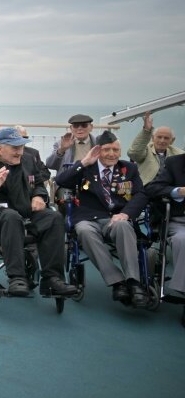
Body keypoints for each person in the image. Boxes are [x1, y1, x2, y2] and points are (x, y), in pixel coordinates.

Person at [0, 127, 76, 297]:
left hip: (26, 210)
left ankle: (52, 279)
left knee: (53, 218)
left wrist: (39, 195)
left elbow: (38, 183)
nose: (20, 152)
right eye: (15, 148)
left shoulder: (29, 159)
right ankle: (17, 277)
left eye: (22, 147)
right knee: (11, 217)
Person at [55, 131, 148, 307]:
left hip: (116, 217)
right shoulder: (85, 167)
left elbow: (140, 195)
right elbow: (61, 181)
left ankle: (133, 282)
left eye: (115, 149)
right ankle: (116, 282)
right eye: (107, 149)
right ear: (98, 150)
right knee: (84, 231)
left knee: (123, 226)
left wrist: (126, 214)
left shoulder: (129, 168)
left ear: (120, 151)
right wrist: (83, 162)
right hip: (87, 217)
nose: (111, 154)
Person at [145, 154, 185, 297]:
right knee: (182, 240)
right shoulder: (175, 163)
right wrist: (178, 191)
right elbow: (152, 188)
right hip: (179, 220)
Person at [128, 112, 183, 185]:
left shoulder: (178, 153)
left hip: (170, 189)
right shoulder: (145, 150)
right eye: (159, 137)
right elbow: (134, 153)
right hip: (147, 188)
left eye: (166, 138)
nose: (162, 140)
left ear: (172, 141)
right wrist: (146, 131)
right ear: (153, 138)